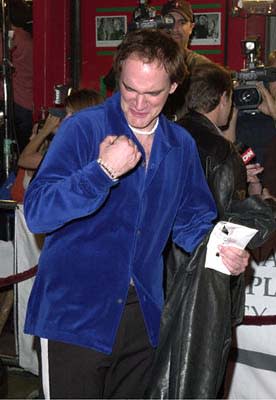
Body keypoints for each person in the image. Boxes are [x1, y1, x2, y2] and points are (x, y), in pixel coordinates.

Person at [23, 29, 249, 399]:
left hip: (143, 318)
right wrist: (102, 172)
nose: (139, 104)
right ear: (118, 80)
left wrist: (222, 250)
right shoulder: (83, 128)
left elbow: (193, 221)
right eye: (130, 89)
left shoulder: (180, 144)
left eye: (153, 93)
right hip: (74, 316)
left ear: (174, 87)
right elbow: (37, 214)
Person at [146, 62, 276, 399]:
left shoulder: (167, 136)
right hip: (203, 282)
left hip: (157, 277)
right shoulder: (220, 152)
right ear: (222, 99)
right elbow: (225, 226)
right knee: (199, 378)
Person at [11, 88, 104, 203]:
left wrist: (45, 130)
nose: (64, 119)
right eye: (66, 114)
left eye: (70, 114)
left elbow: (24, 159)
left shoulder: (74, 153)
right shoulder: (89, 147)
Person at [160, 0, 211, 120]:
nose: (175, 29)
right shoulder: (146, 64)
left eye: (182, 23)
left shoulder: (203, 67)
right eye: (170, 22)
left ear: (191, 28)